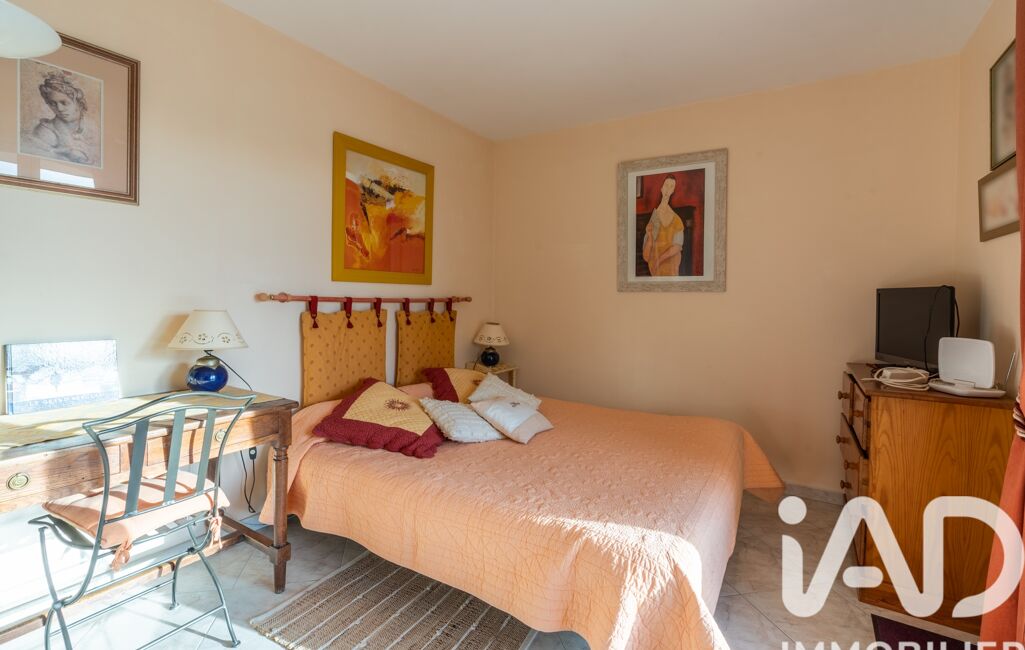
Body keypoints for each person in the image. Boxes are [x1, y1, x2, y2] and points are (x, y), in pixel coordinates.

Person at [27, 71, 98, 165]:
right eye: (53, 104)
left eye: (64, 103)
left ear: (79, 103)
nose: (59, 109)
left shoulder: (92, 128)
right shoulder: (45, 131)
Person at [642, 175, 685, 276]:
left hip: (671, 274)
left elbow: (677, 247)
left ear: (673, 191)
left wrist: (658, 261)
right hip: (656, 274)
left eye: (671, 186)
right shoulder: (654, 219)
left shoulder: (677, 220)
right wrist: (650, 237)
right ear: (661, 188)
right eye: (666, 185)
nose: (668, 189)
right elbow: (646, 257)